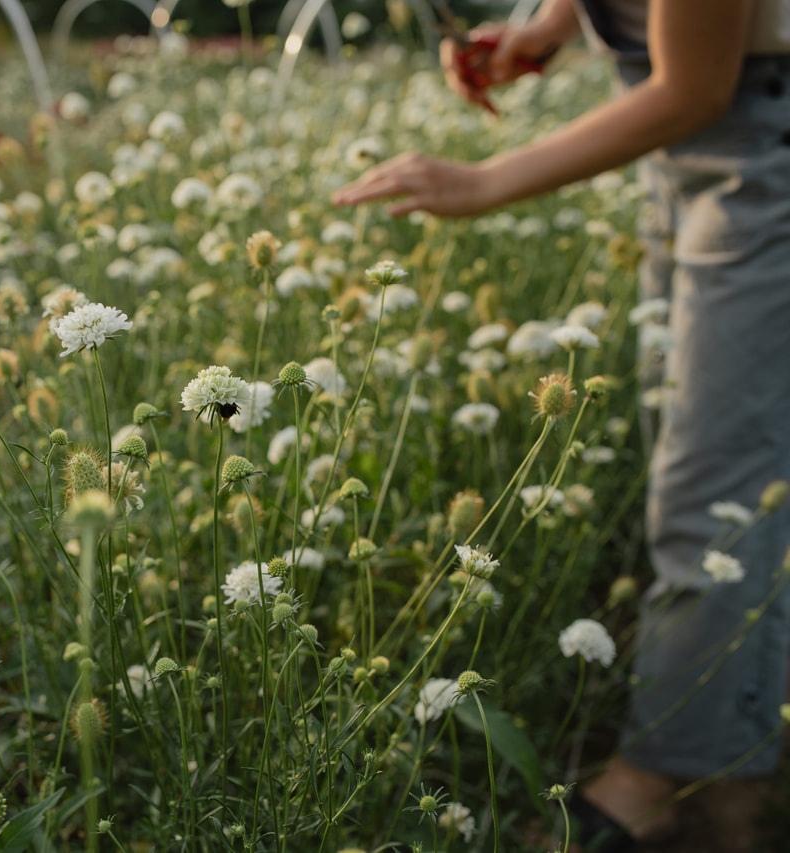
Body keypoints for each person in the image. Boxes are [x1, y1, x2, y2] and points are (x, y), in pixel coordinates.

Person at [333, 1, 790, 850]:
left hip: (753, 135)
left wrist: (485, 180)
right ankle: (726, 732)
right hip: (696, 141)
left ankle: (670, 773)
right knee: (706, 446)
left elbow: (694, 86)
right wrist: (546, 28)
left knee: (716, 476)